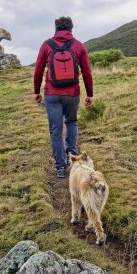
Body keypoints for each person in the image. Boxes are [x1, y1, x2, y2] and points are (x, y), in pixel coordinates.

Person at [34, 16, 93, 178]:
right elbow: (87, 72)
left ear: (56, 28)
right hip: (72, 94)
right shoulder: (79, 46)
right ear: (71, 29)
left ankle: (60, 167)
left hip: (52, 95)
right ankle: (73, 157)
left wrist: (36, 92)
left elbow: (38, 70)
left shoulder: (46, 45)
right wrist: (90, 94)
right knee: (72, 122)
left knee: (56, 130)